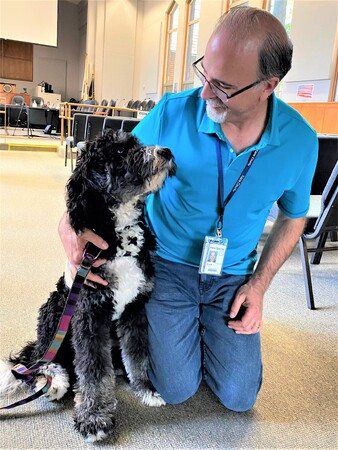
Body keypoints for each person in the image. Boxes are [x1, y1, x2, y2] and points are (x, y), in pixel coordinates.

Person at [58, 7, 318, 412]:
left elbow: (294, 215)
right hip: (166, 264)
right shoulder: (173, 110)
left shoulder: (300, 141)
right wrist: (69, 227)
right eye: (204, 74)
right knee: (176, 388)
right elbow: (108, 168)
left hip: (232, 274)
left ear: (269, 85)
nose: (205, 93)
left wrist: (259, 287)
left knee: (239, 398)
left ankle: (203, 331)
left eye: (223, 86)